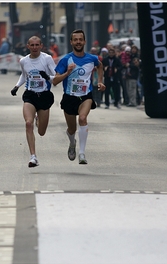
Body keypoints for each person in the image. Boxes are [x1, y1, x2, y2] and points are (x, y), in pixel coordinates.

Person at [53, 29, 106, 164]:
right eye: (75, 40)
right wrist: (67, 72)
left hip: (85, 96)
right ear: (71, 42)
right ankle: (72, 144)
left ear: (84, 41)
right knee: (72, 129)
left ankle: (82, 153)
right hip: (69, 97)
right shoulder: (65, 59)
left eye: (80, 39)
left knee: (83, 118)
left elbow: (100, 66)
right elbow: (55, 81)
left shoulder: (92, 58)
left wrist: (100, 81)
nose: (78, 42)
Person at [10, 36, 56, 168]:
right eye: (32, 45)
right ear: (28, 46)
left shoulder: (47, 59)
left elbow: (56, 76)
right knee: (28, 123)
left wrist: (47, 77)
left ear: (41, 46)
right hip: (30, 95)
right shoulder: (24, 61)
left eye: (37, 45)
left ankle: (38, 119)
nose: (35, 47)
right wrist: (17, 86)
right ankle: (33, 157)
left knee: (41, 132)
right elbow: (24, 75)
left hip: (45, 95)